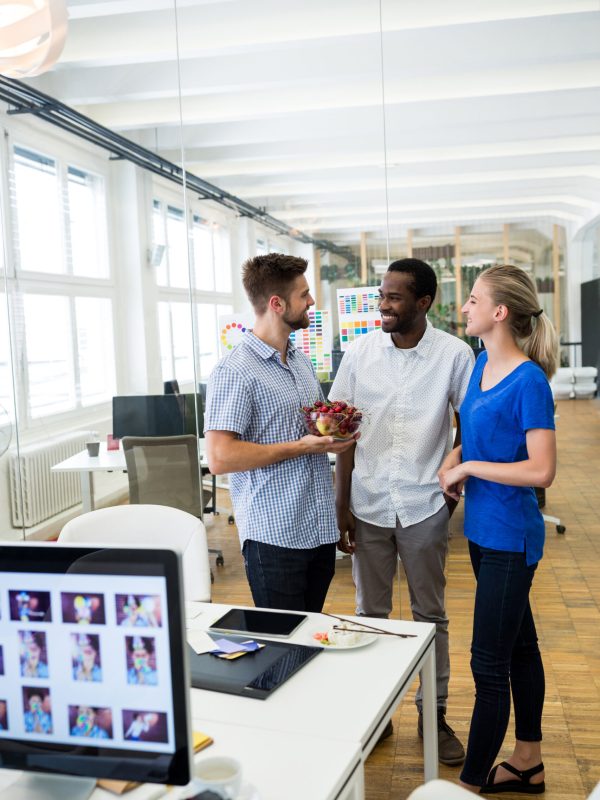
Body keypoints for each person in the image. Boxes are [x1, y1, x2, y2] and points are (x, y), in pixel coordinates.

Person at [331, 258, 474, 765]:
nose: (384, 306)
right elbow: (341, 431)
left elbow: (469, 421)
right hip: (367, 501)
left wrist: (454, 477)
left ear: (424, 302)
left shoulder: (455, 356)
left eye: (394, 297)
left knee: (429, 617)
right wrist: (341, 504)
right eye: (382, 296)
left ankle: (432, 714)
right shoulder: (359, 352)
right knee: (369, 617)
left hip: (424, 505)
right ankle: (377, 715)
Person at [438, 264, 557, 793]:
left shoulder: (529, 380)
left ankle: (466, 786)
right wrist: (458, 454)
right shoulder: (481, 363)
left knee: (488, 666)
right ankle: (527, 760)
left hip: (512, 535)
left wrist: (468, 469)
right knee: (519, 648)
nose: (466, 307)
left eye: (473, 299)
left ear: (499, 312)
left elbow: (540, 470)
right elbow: (481, 432)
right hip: (482, 534)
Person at [205, 253, 356, 612]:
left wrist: (336, 433)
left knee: (310, 637)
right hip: (274, 535)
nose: (311, 302)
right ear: (276, 303)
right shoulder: (235, 371)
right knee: (284, 647)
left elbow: (313, 434)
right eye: (304, 295)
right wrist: (301, 447)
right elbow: (220, 457)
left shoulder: (301, 362)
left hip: (317, 528)